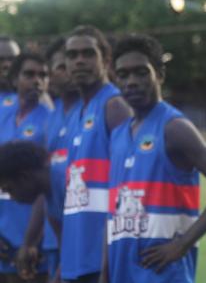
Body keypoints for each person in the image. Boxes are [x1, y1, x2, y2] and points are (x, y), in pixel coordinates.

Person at [102, 34, 206, 282]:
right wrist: (106, 273)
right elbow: (113, 213)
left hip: (164, 275)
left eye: (141, 73)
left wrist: (183, 243)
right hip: (122, 273)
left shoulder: (174, 127)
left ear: (159, 74)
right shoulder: (118, 134)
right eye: (123, 75)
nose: (131, 82)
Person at [60, 26, 132, 283]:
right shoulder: (76, 113)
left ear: (106, 61)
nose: (79, 60)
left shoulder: (115, 106)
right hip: (75, 260)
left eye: (88, 53)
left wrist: (108, 262)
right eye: (72, 55)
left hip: (103, 261)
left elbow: (127, 185)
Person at [16, 38, 81, 282]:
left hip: (85, 240)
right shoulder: (54, 119)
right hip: (56, 239)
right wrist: (30, 242)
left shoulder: (98, 112)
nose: (72, 70)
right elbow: (46, 188)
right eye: (62, 67)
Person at [0, 53, 53, 283]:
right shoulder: (3, 111)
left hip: (32, 235)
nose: (37, 81)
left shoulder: (52, 119)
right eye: (29, 74)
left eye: (43, 75)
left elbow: (49, 185)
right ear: (14, 79)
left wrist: (31, 241)